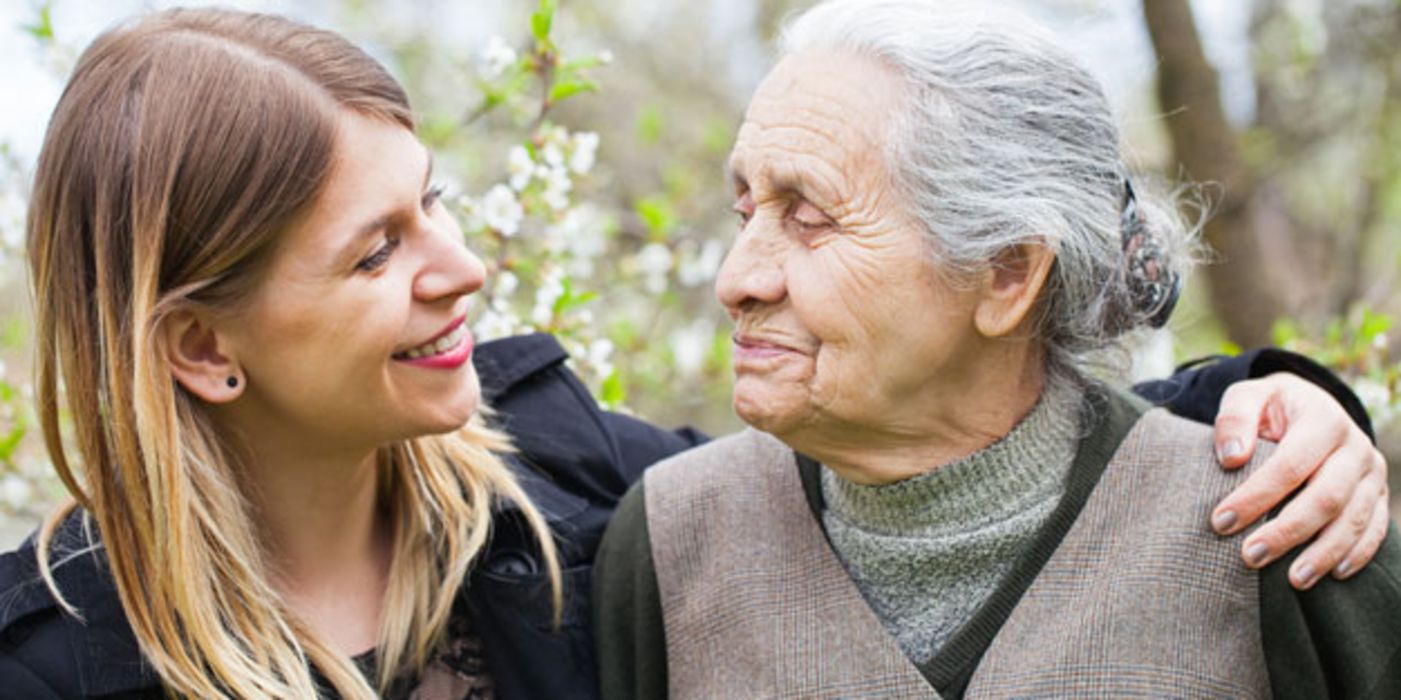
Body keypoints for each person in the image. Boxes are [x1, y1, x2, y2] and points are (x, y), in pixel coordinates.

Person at [0, 6, 1387, 700]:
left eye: (435, 201)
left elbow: (966, 446)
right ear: (200, 350)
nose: (463, 268)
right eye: (375, 251)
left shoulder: (554, 483)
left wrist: (1274, 409)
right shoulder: (48, 665)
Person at [592, 1, 1401, 698]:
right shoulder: (668, 544)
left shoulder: (1286, 522)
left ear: (1007, 273)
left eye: (809, 219)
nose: (737, 278)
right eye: (746, 214)